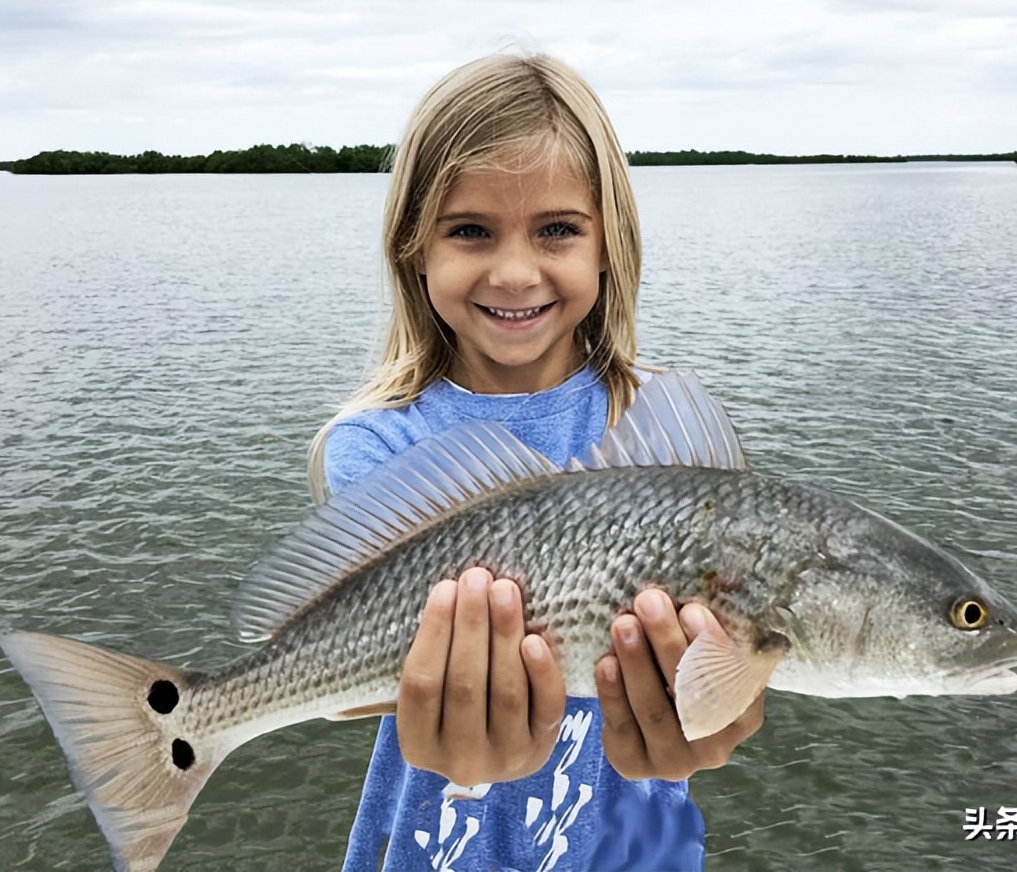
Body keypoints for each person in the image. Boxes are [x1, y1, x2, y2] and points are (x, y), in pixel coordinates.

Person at [308, 53, 766, 872]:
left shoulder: (657, 418)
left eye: (557, 229)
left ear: (606, 245)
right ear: (415, 248)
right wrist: (467, 769)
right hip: (445, 838)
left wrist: (713, 719)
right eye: (470, 230)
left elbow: (721, 664)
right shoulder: (375, 443)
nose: (516, 272)